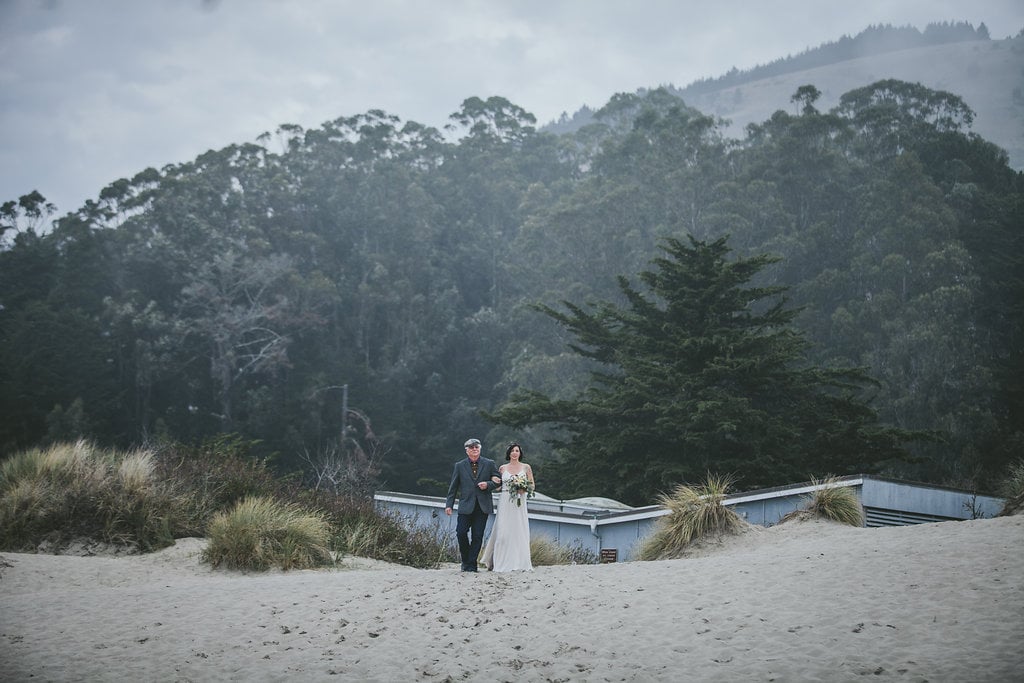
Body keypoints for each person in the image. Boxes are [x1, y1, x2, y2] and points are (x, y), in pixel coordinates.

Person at [445, 438, 500, 572]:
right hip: (466, 505)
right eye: (471, 447)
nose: (474, 449)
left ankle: (471, 564)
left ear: (480, 449)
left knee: (477, 536)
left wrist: (488, 484)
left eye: (477, 447)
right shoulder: (460, 465)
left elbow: (498, 481)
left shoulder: (489, 463)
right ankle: (466, 560)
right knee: (461, 532)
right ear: (467, 450)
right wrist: (449, 505)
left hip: (483, 506)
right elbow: (453, 487)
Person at [482, 442, 534, 572]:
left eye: (517, 450)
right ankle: (498, 562)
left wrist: (524, 488)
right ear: (509, 453)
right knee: (503, 532)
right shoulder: (502, 468)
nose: (515, 453)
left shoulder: (526, 467)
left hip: (519, 502)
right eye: (512, 451)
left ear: (520, 453)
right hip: (505, 500)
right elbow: (498, 486)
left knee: (518, 530)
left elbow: (532, 485)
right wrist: (490, 484)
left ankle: (519, 562)